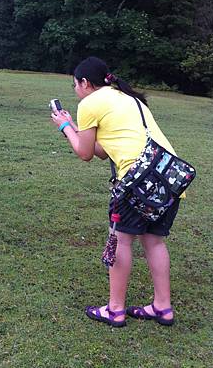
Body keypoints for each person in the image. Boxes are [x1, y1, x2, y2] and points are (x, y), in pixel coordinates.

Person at [51, 56, 181, 327]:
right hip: (168, 177)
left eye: (75, 85)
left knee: (122, 242)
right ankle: (162, 307)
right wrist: (73, 129)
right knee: (154, 241)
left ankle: (115, 310)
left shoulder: (89, 103)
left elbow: (85, 153)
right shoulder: (128, 98)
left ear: (85, 83)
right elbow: (101, 150)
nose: (75, 90)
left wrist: (64, 126)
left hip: (136, 183)